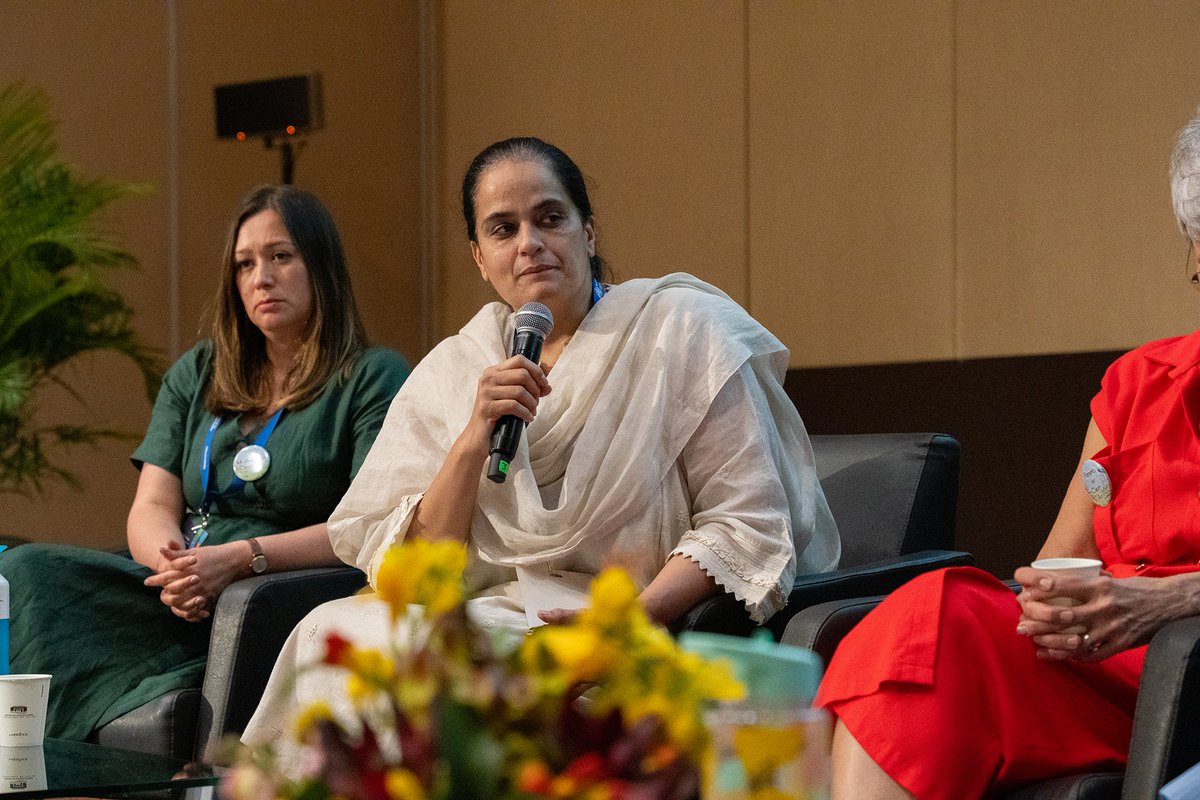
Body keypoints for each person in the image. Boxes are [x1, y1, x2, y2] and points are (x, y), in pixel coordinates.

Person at [242, 137, 840, 763]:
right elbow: (418, 568)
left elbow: (744, 522)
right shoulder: (458, 367)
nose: (529, 242)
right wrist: (474, 436)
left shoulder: (681, 332)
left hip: (632, 615)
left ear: (587, 230)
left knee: (454, 670)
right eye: (503, 229)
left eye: (549, 218)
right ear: (479, 256)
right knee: (332, 630)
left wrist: (622, 628)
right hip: (496, 609)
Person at [815, 106, 1200, 800]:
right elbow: (1054, 563)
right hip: (1105, 667)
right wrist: (1058, 605)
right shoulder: (1139, 384)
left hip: (1192, 674)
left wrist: (1169, 598)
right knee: (933, 617)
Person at [0, 185, 410, 742]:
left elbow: (370, 525)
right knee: (25, 569)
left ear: (320, 264)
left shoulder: (371, 377)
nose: (260, 278)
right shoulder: (200, 371)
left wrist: (244, 561)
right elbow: (152, 504)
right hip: (180, 588)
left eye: (280, 256)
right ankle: (32, 758)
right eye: (245, 264)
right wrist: (177, 572)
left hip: (272, 591)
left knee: (233, 606)